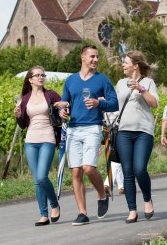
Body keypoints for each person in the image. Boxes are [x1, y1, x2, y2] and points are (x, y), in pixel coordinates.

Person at [54, 45, 118, 226]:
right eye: (92, 56)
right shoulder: (71, 80)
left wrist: (99, 103)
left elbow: (114, 104)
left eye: (97, 57)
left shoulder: (102, 80)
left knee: (88, 167)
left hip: (93, 127)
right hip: (73, 129)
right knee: (76, 171)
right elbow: (66, 102)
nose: (95, 60)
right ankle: (82, 213)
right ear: (82, 57)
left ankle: (102, 194)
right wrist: (63, 111)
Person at [113, 50, 159, 223]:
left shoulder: (148, 82)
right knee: (127, 172)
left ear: (135, 65)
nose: (123, 65)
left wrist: (141, 89)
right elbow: (116, 106)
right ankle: (132, 210)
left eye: (125, 62)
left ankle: (147, 199)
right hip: (123, 131)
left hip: (143, 131)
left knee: (140, 168)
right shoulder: (120, 83)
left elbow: (154, 104)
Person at [14, 66, 61, 226]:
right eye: (38, 75)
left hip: (47, 137)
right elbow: (22, 124)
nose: (41, 77)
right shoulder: (25, 99)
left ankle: (54, 204)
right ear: (30, 79)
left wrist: (62, 111)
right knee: (36, 180)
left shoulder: (51, 95)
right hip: (31, 140)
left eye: (43, 75)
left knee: (42, 176)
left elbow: (63, 112)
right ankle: (43, 214)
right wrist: (19, 116)